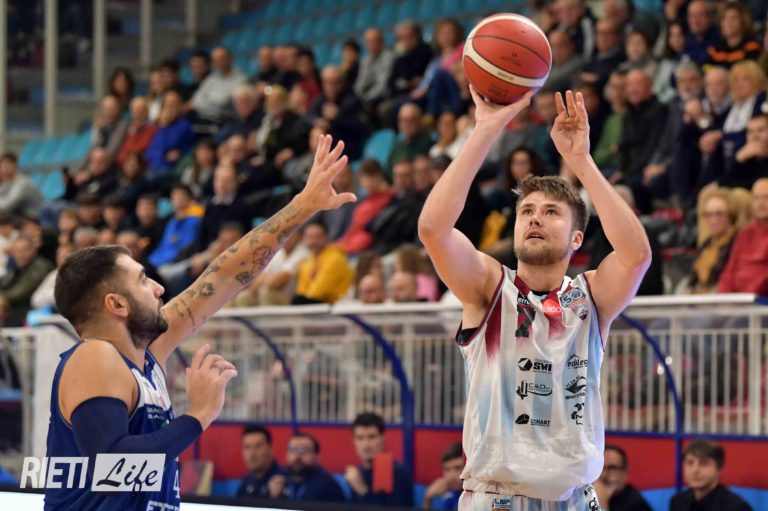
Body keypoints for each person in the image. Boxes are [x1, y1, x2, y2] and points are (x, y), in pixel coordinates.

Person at [43, 134, 356, 510]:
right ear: (117, 304)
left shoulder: (145, 352)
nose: (159, 288)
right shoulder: (96, 355)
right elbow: (114, 469)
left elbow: (223, 276)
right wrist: (198, 415)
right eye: (143, 280)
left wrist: (303, 206)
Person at [418, 85, 651, 509]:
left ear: (576, 238)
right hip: (499, 498)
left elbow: (637, 256)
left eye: (551, 212)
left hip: (575, 499)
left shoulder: (592, 295)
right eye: (526, 211)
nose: (534, 219)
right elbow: (433, 229)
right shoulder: (488, 287)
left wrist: (581, 162)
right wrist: (486, 130)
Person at [344, 412, 413, 507]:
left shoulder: (397, 472)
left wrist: (362, 489)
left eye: (371, 437)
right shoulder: (358, 472)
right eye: (360, 438)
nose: (366, 445)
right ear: (354, 441)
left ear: (383, 438)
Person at [670, 439, 752, 511]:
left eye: (704, 463)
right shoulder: (677, 501)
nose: (695, 470)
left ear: (719, 469)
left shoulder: (737, 507)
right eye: (690, 463)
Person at [268, 433, 345, 503]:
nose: (297, 456)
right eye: (293, 450)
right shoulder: (279, 478)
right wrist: (274, 498)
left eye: (304, 450)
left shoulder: (327, 485)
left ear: (317, 456)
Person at [593, 445, 651, 511]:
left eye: (612, 468)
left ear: (625, 472)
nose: (603, 474)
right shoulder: (587, 494)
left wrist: (601, 504)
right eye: (600, 468)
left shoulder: (635, 503)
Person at [237, 425, 284, 499]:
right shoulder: (246, 482)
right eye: (247, 447)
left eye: (258, 446)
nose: (252, 454)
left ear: (270, 449)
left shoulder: (285, 480)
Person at [422, 443, 464, 510]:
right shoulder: (450, 495)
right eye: (447, 469)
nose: (452, 476)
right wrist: (428, 499)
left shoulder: (476, 497)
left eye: (458, 468)